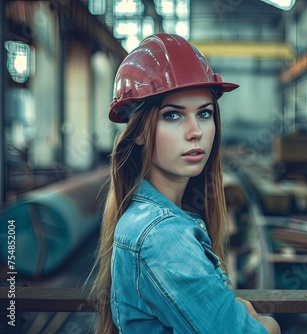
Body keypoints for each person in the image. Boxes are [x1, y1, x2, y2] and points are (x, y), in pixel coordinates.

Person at [90, 33, 281, 334]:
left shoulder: (146, 218)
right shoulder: (161, 237)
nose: (195, 132)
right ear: (139, 132)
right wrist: (266, 323)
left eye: (204, 113)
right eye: (172, 115)